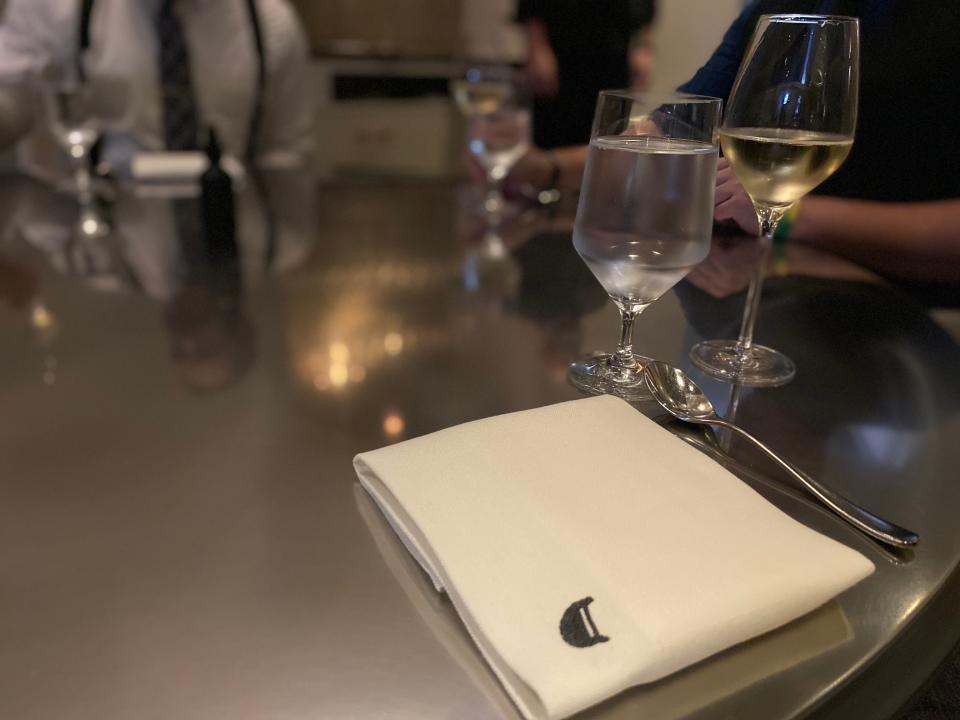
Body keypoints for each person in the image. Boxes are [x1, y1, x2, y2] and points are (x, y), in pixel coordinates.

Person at [511, 1, 960, 292]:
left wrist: (789, 215)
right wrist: (542, 167)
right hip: (763, 293)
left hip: (908, 329)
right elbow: (665, 133)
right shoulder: (774, 9)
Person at [0, 0, 315, 182]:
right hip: (110, 232)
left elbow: (288, 152)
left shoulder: (271, 22)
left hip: (233, 226)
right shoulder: (58, 8)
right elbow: (13, 92)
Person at [516, 0, 656, 149]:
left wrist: (643, 46)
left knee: (608, 137)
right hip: (560, 51)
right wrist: (537, 47)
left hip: (615, 53)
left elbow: (644, 6)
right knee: (555, 133)